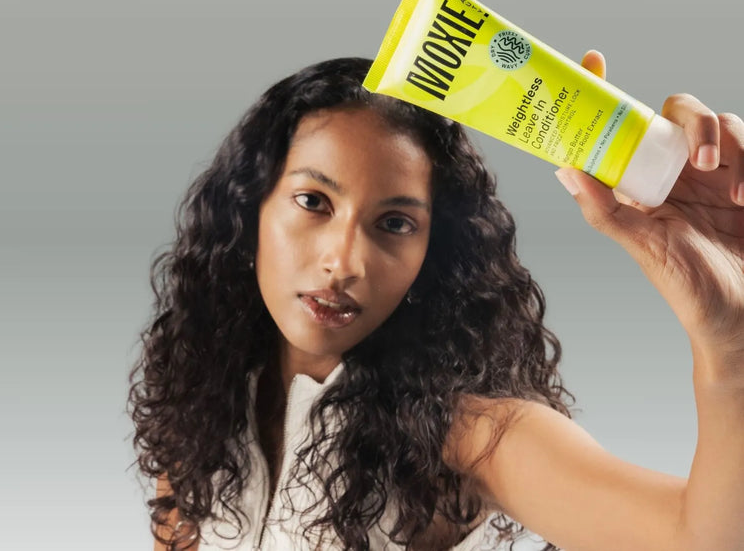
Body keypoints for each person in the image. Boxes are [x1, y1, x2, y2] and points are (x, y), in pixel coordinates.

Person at [127, 55, 744, 550]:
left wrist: (732, 343)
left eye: (394, 223)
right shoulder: (203, 403)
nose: (345, 262)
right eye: (314, 202)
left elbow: (700, 540)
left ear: (433, 251)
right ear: (248, 207)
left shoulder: (470, 435)